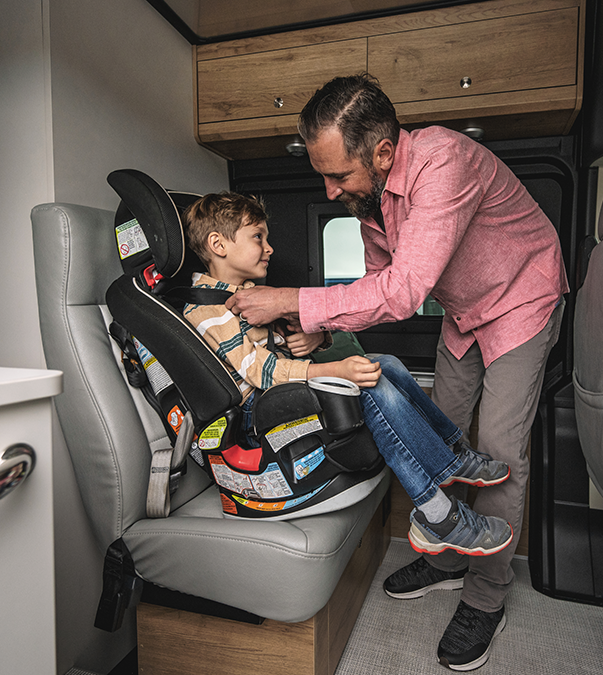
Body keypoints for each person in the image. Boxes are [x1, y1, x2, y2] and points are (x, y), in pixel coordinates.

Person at [225, 74, 568, 672]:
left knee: (496, 448)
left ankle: (485, 597)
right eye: (323, 176)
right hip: (466, 311)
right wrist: (322, 331)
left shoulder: (445, 162)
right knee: (439, 430)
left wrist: (289, 300)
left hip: (522, 297)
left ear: (383, 153)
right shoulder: (372, 197)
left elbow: (404, 292)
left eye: (339, 175)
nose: (330, 190)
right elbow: (377, 285)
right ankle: (446, 560)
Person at [182, 190, 514, 558]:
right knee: (365, 387)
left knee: (386, 363)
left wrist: (314, 339)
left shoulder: (250, 295)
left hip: (281, 396)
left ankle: (451, 450)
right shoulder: (208, 311)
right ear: (218, 245)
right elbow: (262, 372)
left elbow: (286, 349)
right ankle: (437, 515)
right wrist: (336, 370)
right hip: (260, 416)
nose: (269, 247)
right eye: (258, 237)